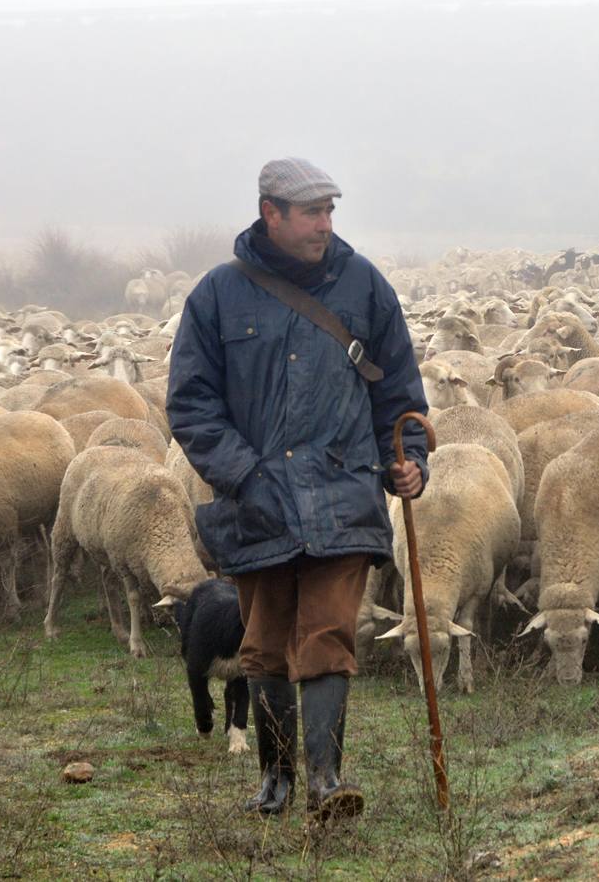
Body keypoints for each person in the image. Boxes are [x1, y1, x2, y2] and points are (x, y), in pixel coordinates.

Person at [166, 157, 429, 822]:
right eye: (311, 213)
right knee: (264, 643)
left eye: (329, 212)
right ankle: (276, 778)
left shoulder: (364, 286)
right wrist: (245, 474)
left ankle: (325, 781)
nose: (324, 225)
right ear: (271, 213)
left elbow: (399, 392)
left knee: (329, 633)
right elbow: (192, 404)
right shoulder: (218, 295)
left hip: (344, 493)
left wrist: (410, 460)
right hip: (259, 502)